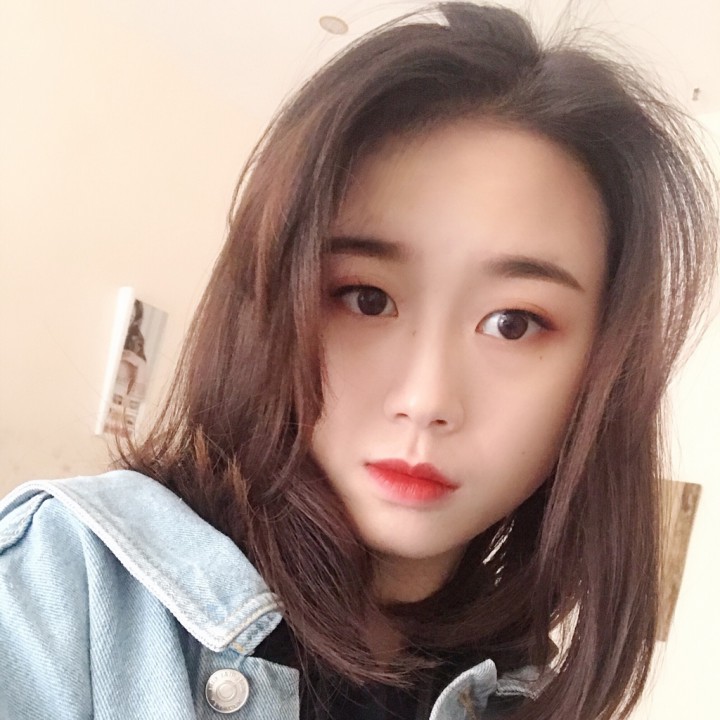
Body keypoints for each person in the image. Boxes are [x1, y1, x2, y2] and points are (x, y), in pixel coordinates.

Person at [1, 3, 717, 719]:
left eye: (513, 323)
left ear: (601, 376)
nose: (426, 398)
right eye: (366, 299)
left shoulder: (530, 698)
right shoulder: (61, 591)